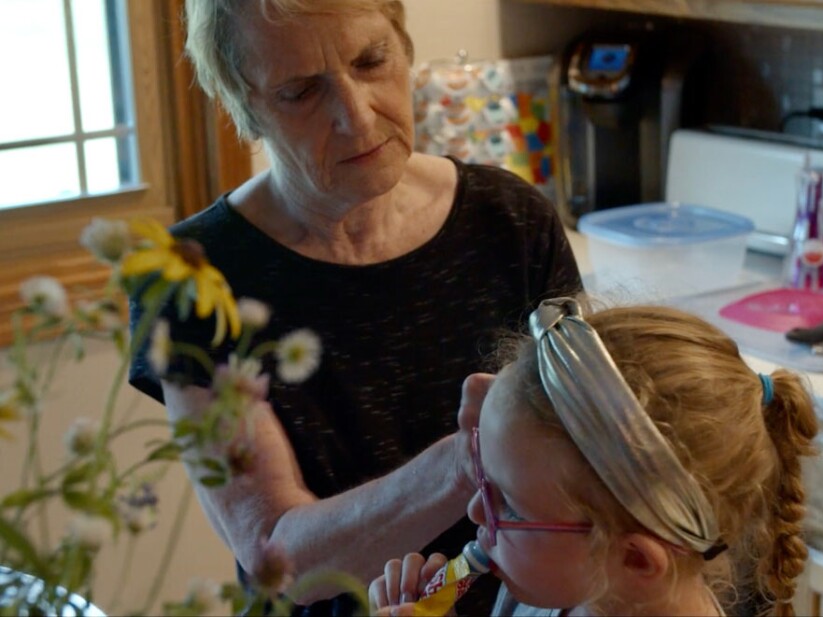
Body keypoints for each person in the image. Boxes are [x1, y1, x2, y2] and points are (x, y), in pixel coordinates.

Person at [127, 0, 582, 615]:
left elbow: (582, 458)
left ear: (405, 45)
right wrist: (467, 457)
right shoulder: (194, 275)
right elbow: (278, 560)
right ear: (245, 107)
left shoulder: (512, 221)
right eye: (300, 92)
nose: (358, 115)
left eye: (372, 61)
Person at [370, 297, 819, 617]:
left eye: (507, 503)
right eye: (487, 483)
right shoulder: (563, 590)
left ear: (635, 559)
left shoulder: (557, 581)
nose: (473, 510)